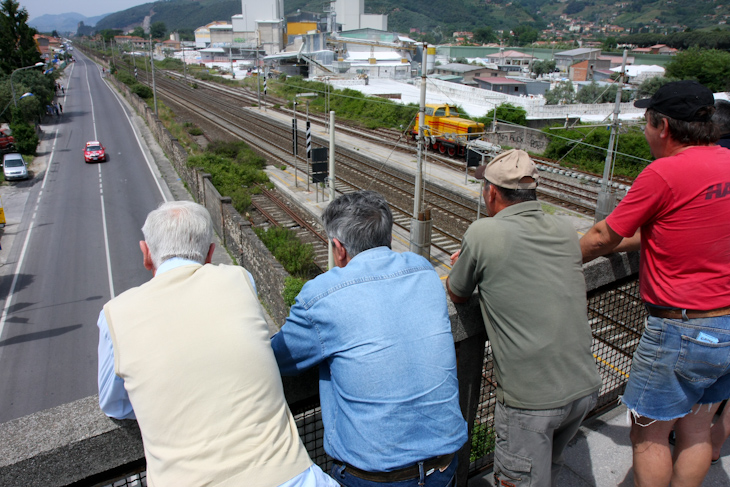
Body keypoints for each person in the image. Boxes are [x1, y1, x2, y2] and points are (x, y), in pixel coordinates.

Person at [96, 201, 336, 487]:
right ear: (210, 253)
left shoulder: (114, 314)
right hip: (292, 476)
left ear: (146, 254)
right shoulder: (240, 279)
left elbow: (115, 406)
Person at [580, 80, 730, 487]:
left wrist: (561, 257)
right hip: (727, 324)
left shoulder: (662, 173)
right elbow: (677, 224)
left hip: (680, 329)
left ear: (662, 125)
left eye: (646, 122)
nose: (645, 131)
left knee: (649, 434)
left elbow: (601, 238)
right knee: (697, 429)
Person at [271, 190, 467, 487]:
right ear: (387, 237)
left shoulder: (321, 296)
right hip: (444, 465)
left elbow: (277, 358)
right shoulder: (425, 271)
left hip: (374, 478)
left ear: (338, 248)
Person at [446, 149, 602, 487]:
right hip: (582, 386)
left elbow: (457, 292)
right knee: (549, 469)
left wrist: (468, 259)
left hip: (532, 401)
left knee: (523, 480)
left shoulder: (483, 232)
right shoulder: (563, 228)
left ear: (492, 192)